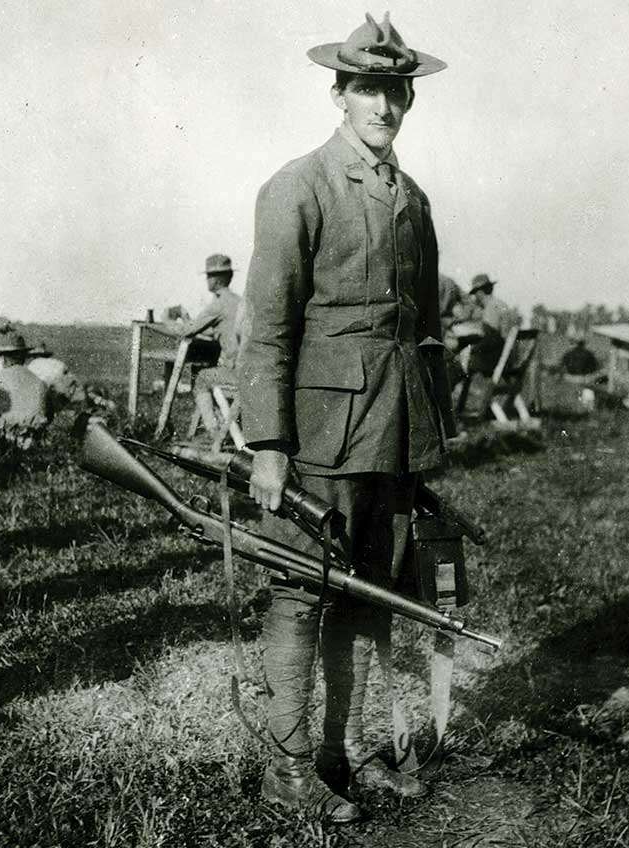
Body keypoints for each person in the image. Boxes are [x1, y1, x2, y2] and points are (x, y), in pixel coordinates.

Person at [238, 12, 454, 823]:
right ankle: (287, 770)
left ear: (409, 100)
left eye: (396, 90)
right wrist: (268, 445)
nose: (384, 105)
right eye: (368, 88)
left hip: (393, 431)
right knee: (301, 593)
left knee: (371, 598)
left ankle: (345, 753)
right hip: (322, 433)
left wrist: (429, 438)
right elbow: (270, 324)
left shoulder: (414, 199)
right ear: (339, 92)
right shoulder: (299, 185)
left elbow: (423, 329)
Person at [0, 333, 51, 447]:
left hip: (5, 440)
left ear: (4, 358)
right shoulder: (40, 382)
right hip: (34, 440)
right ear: (24, 357)